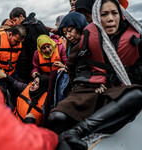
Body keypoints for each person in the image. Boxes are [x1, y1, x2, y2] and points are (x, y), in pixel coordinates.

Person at [48, 0, 142, 149]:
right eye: (104, 14)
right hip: (88, 89)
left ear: (121, 15)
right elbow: (74, 73)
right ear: (97, 17)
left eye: (114, 13)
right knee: (56, 117)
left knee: (137, 94)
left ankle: (77, 131)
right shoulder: (85, 41)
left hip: (115, 90)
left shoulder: (135, 41)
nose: (110, 18)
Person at [9, 7, 49, 83]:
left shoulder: (24, 30)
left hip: (30, 70)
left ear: (21, 16)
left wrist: (22, 74)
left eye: (15, 20)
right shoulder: (40, 23)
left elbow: (24, 54)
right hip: (45, 65)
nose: (14, 24)